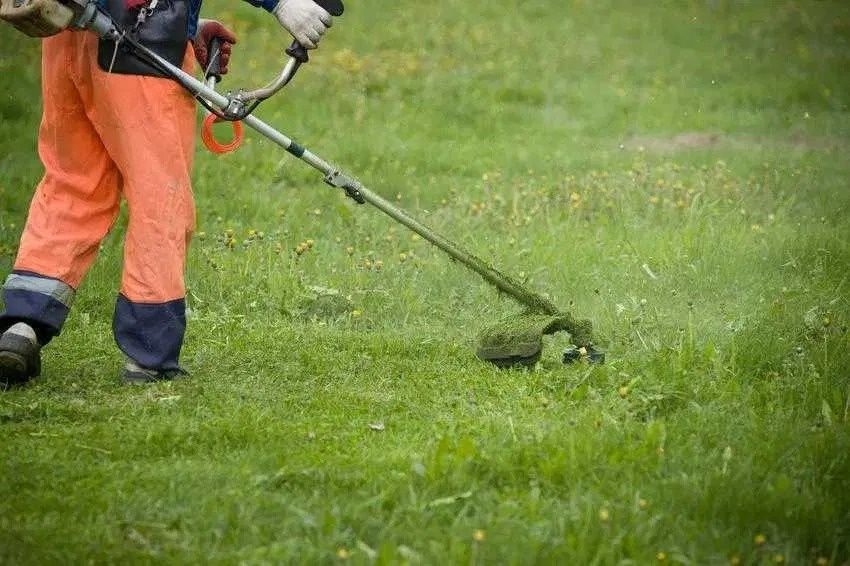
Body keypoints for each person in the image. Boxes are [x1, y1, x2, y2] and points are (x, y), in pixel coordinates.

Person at [0, 0, 333, 385]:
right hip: (135, 47)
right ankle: (149, 357)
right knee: (160, 200)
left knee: (73, 185)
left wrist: (186, 24)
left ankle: (22, 325)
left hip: (67, 31)